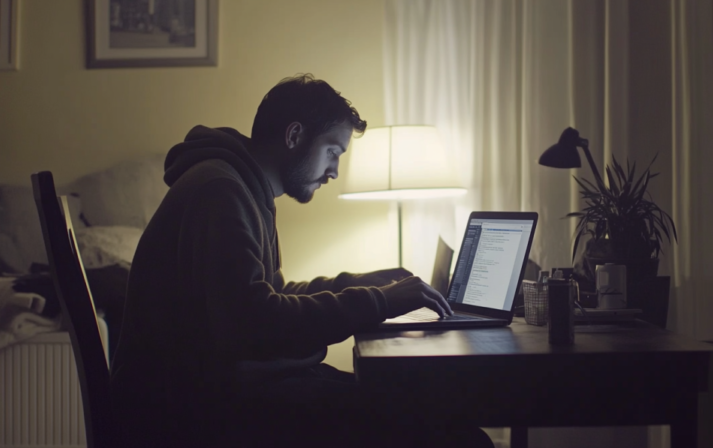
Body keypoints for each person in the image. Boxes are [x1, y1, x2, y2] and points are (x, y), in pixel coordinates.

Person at [110, 74, 494, 448]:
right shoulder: (220, 191)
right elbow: (254, 322)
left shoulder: (237, 185)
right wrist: (381, 302)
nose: (334, 171)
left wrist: (366, 284)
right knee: (456, 436)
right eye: (332, 151)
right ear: (294, 136)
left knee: (425, 410)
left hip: (221, 393)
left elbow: (269, 296)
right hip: (198, 416)